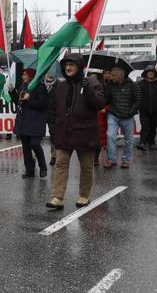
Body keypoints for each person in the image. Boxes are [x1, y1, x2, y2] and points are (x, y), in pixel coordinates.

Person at [46, 54, 105, 210]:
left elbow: (99, 104)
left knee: (86, 166)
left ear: (79, 66)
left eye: (71, 65)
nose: (68, 68)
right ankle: (57, 197)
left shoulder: (91, 83)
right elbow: (53, 109)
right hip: (64, 133)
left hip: (85, 133)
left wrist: (88, 90)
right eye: (66, 65)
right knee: (60, 164)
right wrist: (54, 128)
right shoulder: (61, 86)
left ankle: (84, 195)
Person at [9, 68, 48, 179]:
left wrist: (30, 99)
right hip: (24, 120)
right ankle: (29, 170)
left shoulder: (40, 87)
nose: (23, 76)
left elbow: (43, 105)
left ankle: (43, 166)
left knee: (34, 144)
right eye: (23, 75)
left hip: (36, 120)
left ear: (32, 76)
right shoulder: (23, 87)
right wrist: (12, 92)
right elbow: (19, 102)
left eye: (25, 75)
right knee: (26, 147)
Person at [104, 66, 141, 168]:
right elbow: (107, 100)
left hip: (127, 116)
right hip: (113, 115)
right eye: (111, 75)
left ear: (121, 75)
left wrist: (130, 112)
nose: (111, 77)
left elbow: (138, 100)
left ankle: (126, 160)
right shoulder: (110, 85)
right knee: (110, 136)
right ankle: (111, 159)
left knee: (128, 139)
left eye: (113, 75)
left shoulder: (133, 85)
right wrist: (105, 86)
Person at [137, 65, 157, 151]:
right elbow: (137, 95)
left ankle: (151, 143)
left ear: (155, 73)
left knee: (153, 127)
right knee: (145, 126)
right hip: (144, 110)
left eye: (152, 72)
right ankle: (142, 142)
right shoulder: (140, 84)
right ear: (146, 73)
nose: (151, 73)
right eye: (149, 72)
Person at [44, 73, 60, 166]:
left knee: (53, 135)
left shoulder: (59, 84)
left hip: (53, 114)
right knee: (34, 138)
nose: (50, 74)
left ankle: (54, 156)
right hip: (40, 113)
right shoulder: (40, 83)